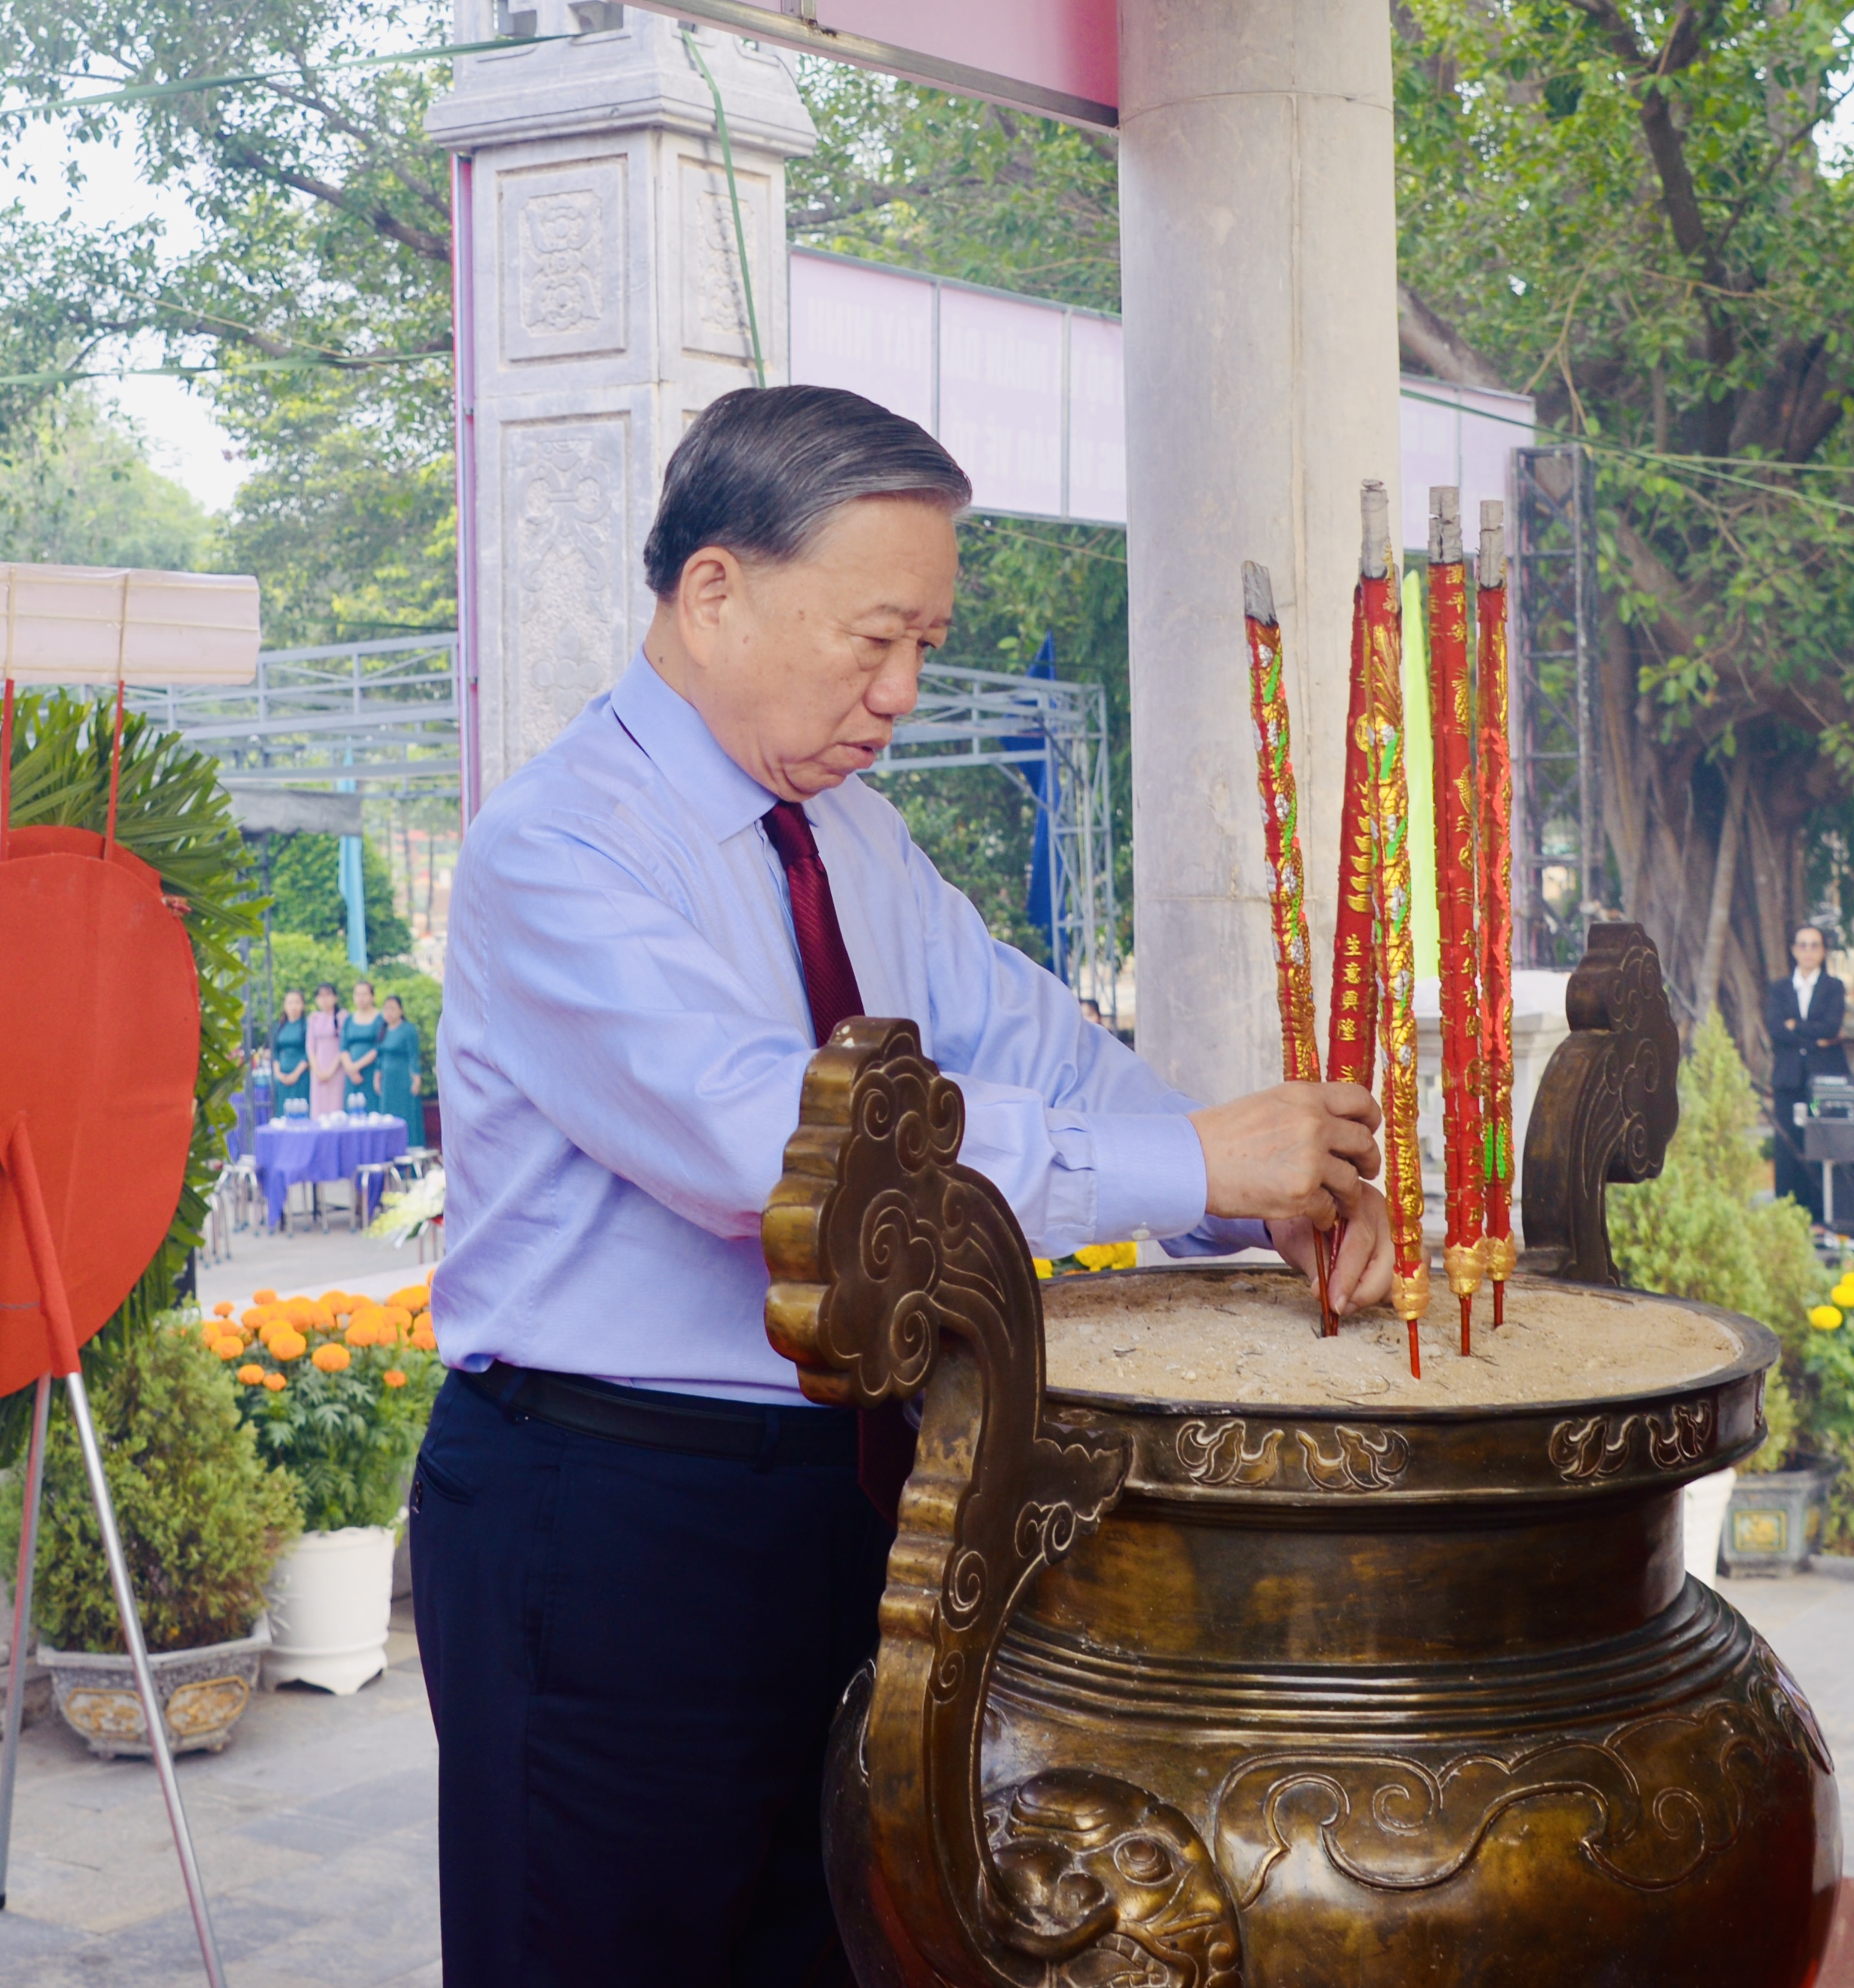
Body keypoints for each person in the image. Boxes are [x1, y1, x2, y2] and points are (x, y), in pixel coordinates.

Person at [417, 385, 1396, 1987]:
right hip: (609, 1518)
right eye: (875, 638)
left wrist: (1239, 1191)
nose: (902, 691)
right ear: (716, 588)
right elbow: (790, 1154)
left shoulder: (850, 840)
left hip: (854, 1494)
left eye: (926, 646)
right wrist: (1193, 1155)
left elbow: (1036, 1041)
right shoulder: (559, 849)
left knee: (833, 1937)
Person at [1763, 922, 1849, 1208]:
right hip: (1788, 1077)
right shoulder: (1779, 988)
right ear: (1793, 951)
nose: (1809, 951)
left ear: (1823, 951)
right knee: (1788, 1144)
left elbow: (1832, 1026)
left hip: (1825, 1075)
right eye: (1803, 945)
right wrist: (1815, 1035)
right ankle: (1787, 1209)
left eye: (1815, 945)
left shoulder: (1834, 987)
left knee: (1823, 1141)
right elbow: (1776, 1029)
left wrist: (1796, 1027)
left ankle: (1823, 1211)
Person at [340, 979, 386, 1123]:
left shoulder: (380, 1018)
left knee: (372, 1112)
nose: (360, 998)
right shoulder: (349, 1019)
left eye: (364, 994)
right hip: (351, 1074)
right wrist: (350, 1069)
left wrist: (357, 1066)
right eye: (357, 994)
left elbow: (379, 1047)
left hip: (371, 1071)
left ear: (372, 996)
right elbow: (343, 1047)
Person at [377, 994, 423, 1131]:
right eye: (386, 1009)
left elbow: (413, 1056)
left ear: (401, 1011)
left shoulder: (409, 1030)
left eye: (393, 1009)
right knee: (388, 1113)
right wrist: (377, 1077)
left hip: (403, 1077)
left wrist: (416, 1079)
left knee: (406, 1112)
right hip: (387, 1079)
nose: (389, 1013)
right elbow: (380, 1056)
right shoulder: (383, 1030)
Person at [272, 988, 313, 1117]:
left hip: (301, 1075)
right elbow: (275, 1052)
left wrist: (296, 1074)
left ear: (303, 1005)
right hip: (283, 1076)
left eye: (297, 1002)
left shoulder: (307, 1026)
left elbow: (309, 1052)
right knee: (283, 1113)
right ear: (284, 1005)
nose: (293, 1006)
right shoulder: (279, 1027)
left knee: (300, 1111)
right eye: (290, 1003)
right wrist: (278, 1073)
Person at [307, 981, 345, 1117]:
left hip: (337, 1069)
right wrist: (318, 1071)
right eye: (320, 996)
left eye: (328, 995)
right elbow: (310, 1048)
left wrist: (330, 1072)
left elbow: (343, 1047)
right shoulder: (314, 1018)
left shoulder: (342, 1017)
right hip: (318, 1070)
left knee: (336, 1108)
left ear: (335, 998)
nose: (324, 999)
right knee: (319, 1110)